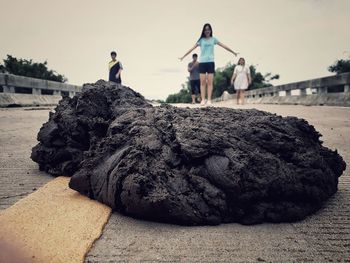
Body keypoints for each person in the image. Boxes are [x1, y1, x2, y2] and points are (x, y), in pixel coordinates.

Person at [180, 23, 238, 106]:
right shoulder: (201, 40)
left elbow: (224, 46)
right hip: (202, 63)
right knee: (203, 82)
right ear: (203, 31)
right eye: (205, 29)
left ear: (210, 30)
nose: (207, 31)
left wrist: (233, 52)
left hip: (210, 62)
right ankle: (203, 100)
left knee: (210, 82)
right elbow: (192, 48)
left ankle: (209, 100)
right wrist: (183, 56)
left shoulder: (213, 39)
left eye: (208, 29)